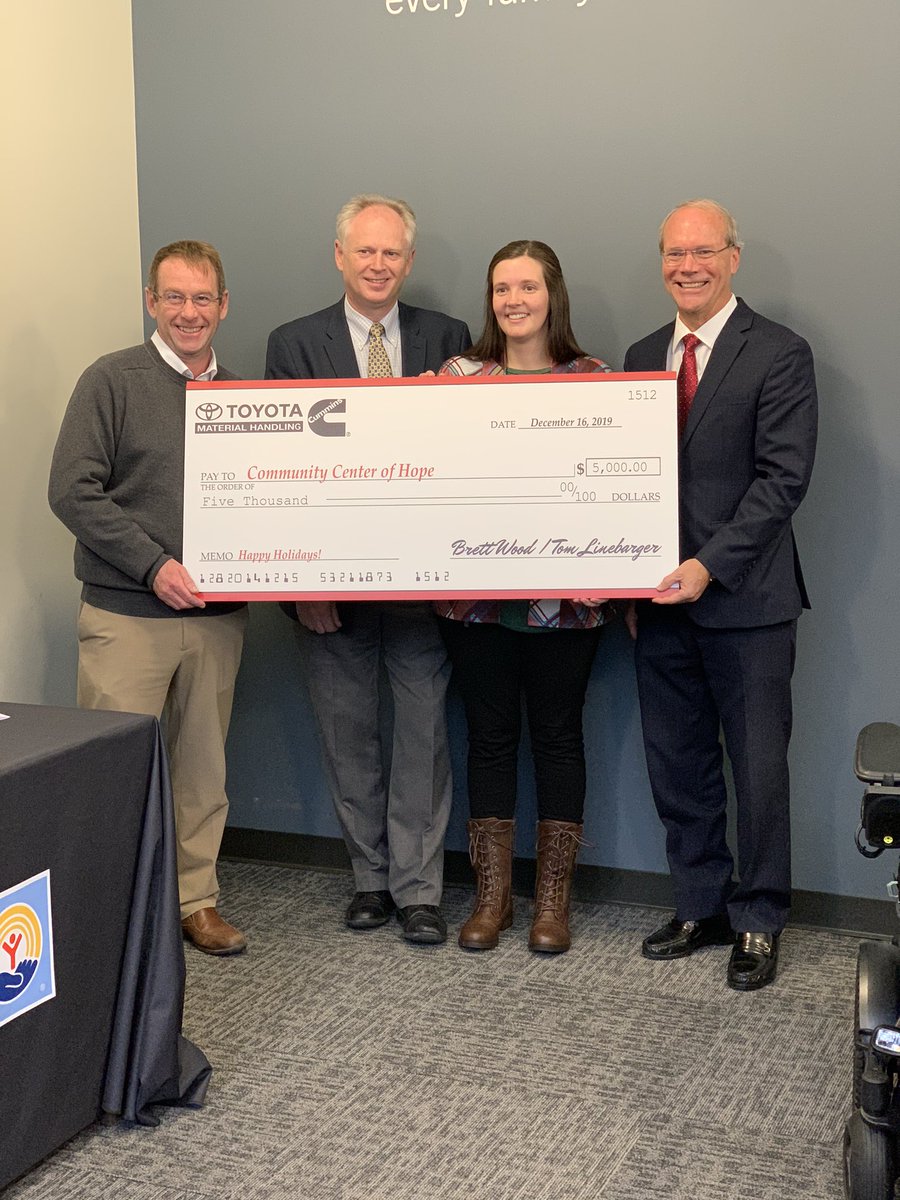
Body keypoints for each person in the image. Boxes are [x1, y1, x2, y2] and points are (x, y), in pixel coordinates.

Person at [265, 195, 471, 945]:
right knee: (346, 733)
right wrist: (302, 585)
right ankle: (370, 881)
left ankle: (420, 891)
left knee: (423, 737)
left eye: (391, 253)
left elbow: (467, 454)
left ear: (408, 261)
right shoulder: (294, 343)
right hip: (331, 591)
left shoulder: (448, 337)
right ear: (339, 256)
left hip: (424, 587)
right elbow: (280, 469)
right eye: (365, 251)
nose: (378, 265)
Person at [624, 199, 818, 990]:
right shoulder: (643, 354)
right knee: (679, 765)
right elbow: (624, 481)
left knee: (759, 772)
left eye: (703, 251)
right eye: (675, 253)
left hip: (748, 603)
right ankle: (700, 904)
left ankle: (759, 918)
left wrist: (707, 565)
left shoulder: (779, 352)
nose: (688, 266)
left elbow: (783, 480)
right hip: (657, 605)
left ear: (733, 257)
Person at [48, 240, 249, 956]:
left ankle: (196, 901)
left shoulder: (246, 398)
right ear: (151, 302)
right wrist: (152, 566)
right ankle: (112, 914)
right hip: (127, 616)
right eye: (174, 297)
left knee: (203, 772)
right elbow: (71, 491)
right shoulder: (111, 380)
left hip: (218, 620)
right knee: (116, 770)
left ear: (223, 305)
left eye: (203, 298)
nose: (189, 313)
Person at [437, 239, 613, 954]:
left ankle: (551, 905)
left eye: (528, 287)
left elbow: (617, 487)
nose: (514, 300)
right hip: (475, 606)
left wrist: (618, 563)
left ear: (552, 295)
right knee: (488, 740)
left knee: (559, 738)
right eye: (502, 288)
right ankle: (493, 900)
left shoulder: (595, 379)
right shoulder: (457, 377)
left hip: (567, 607)